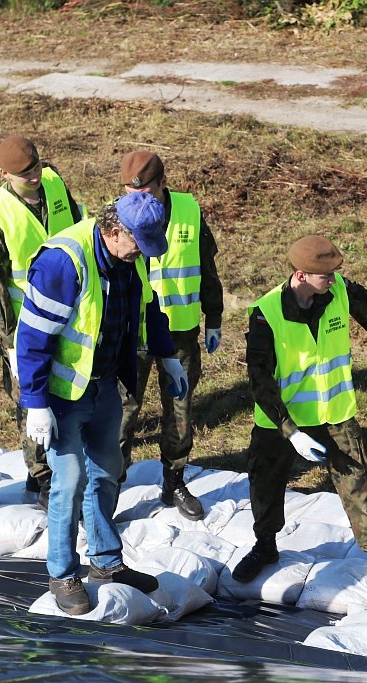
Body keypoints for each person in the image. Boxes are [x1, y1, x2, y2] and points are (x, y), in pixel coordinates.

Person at [15, 192, 188, 615]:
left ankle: (107, 564)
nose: (142, 255)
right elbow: (32, 338)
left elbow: (148, 309)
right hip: (62, 395)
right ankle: (62, 573)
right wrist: (35, 402)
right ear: (114, 232)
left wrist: (167, 355)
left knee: (108, 473)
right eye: (138, 245)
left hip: (105, 386)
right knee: (69, 482)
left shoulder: (131, 258)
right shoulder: (63, 263)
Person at [235, 235, 367, 601]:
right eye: (325, 276)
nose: (334, 281)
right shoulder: (265, 313)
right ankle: (265, 546)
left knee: (358, 486)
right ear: (300, 275)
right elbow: (260, 382)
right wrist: (291, 431)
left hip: (334, 414)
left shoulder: (341, 291)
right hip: (281, 423)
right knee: (265, 485)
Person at [0, 135, 83, 510]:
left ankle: (60, 457)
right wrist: (8, 339)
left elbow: (78, 228)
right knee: (32, 402)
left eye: (36, 167)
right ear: (3, 174)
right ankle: (42, 478)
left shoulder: (53, 181)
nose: (34, 177)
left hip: (72, 312)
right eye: (24, 174)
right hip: (26, 323)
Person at [117, 151, 224, 521]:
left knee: (179, 409)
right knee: (122, 411)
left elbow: (206, 267)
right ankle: (111, 484)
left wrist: (214, 317)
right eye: (131, 191)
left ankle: (174, 479)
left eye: (146, 189)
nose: (138, 198)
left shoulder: (190, 212)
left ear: (163, 183)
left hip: (180, 333)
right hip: (132, 335)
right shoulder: (117, 217)